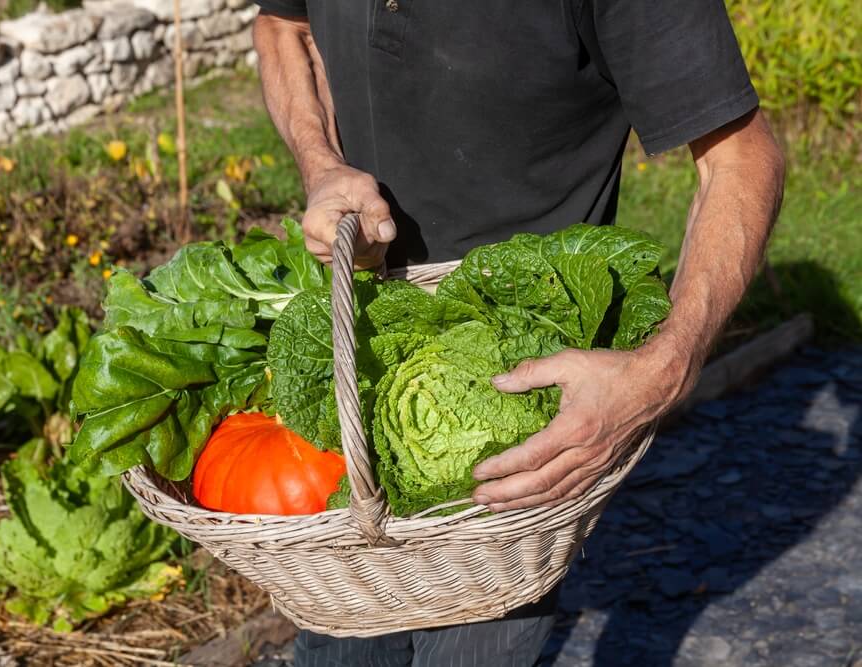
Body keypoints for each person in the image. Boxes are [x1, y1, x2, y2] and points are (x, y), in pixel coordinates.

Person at [250, 1, 786, 665]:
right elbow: (282, 27)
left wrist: (663, 369)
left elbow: (742, 158)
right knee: (340, 650)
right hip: (361, 365)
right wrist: (320, 162)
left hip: (517, 427)